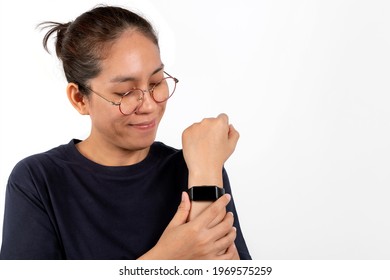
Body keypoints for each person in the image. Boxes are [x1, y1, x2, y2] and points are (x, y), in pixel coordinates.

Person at [0, 5, 251, 260]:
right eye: (125, 93)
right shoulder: (38, 180)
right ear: (79, 99)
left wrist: (206, 174)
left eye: (156, 83)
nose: (150, 106)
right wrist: (165, 258)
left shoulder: (197, 166)